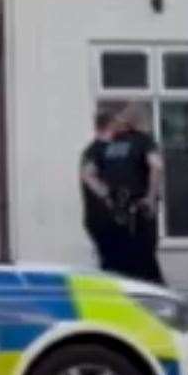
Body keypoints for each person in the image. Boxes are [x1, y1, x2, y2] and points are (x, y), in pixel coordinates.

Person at [96, 104, 164, 284]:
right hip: (139, 209)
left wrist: (108, 200)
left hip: (115, 211)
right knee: (146, 262)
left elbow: (97, 175)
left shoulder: (110, 145)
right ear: (140, 121)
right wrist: (150, 197)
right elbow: (156, 167)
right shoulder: (145, 141)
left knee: (117, 264)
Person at [79, 112, 116, 270]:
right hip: (103, 217)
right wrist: (108, 195)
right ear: (110, 127)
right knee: (113, 261)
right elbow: (88, 175)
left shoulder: (94, 150)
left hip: (98, 217)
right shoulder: (97, 150)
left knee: (111, 260)